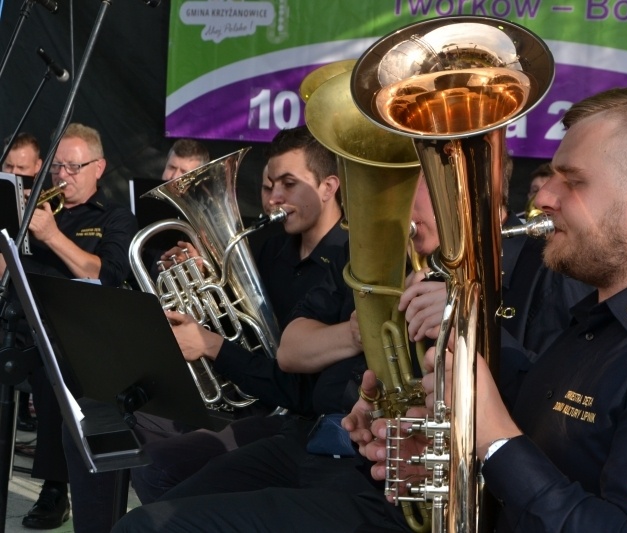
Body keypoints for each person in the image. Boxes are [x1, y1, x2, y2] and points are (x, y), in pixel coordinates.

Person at [351, 85, 627, 532]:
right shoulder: (598, 322)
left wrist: (495, 443)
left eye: (573, 180)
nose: (544, 197)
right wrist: (446, 453)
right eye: (550, 178)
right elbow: (556, 457)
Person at [110, 142, 593, 531]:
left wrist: (459, 328)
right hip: (328, 444)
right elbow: (291, 352)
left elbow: (551, 401)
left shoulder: (539, 271)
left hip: (396, 484)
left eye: (413, 188)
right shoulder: (373, 257)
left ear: (479, 200)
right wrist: (369, 359)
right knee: (152, 510)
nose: (396, 206)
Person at [63, 125, 346, 533]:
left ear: (328, 187)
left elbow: (293, 381)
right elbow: (239, 320)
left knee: (158, 470)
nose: (274, 198)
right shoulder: (270, 245)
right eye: (268, 186)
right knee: (92, 423)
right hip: (243, 395)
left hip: (283, 411)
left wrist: (213, 346)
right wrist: (204, 273)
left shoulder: (340, 260)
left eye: (288, 184)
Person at [0, 124, 138, 530]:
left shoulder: (115, 218)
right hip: (18, 318)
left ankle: (54, 489)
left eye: (74, 167)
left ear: (99, 167)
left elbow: (106, 275)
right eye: (57, 166)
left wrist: (52, 236)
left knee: (51, 362)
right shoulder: (35, 209)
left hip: (72, 331)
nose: (63, 176)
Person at [1, 132, 43, 432]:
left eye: (22, 170)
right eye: (9, 168)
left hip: (33, 314)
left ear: (39, 168)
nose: (14, 176)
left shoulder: (48, 209)